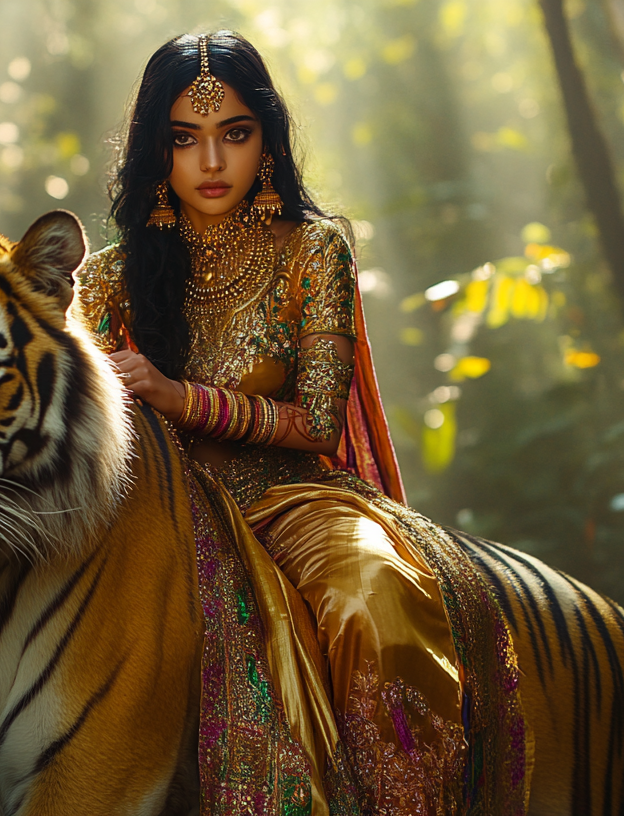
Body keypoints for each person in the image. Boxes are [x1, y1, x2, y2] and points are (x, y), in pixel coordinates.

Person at [71, 32, 527, 814]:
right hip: (160, 513)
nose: (211, 163)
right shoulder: (111, 276)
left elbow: (319, 423)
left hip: (294, 502)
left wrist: (181, 398)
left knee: (377, 601)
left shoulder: (313, 252)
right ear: (156, 150)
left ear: (267, 140)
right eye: (185, 139)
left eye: (235, 135)